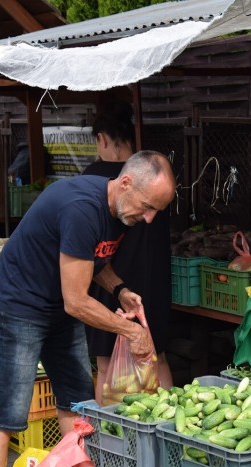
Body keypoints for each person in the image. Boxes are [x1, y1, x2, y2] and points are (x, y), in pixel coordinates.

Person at [0, 151, 176, 467]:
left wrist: (118, 289)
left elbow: (92, 261)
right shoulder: (82, 208)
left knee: (76, 402)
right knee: (6, 415)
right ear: (125, 185)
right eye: (148, 207)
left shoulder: (118, 212)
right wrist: (130, 330)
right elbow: (76, 300)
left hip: (58, 308)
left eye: (157, 211)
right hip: (19, 306)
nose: (149, 218)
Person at [84, 102, 173, 394]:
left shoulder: (96, 178)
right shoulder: (155, 180)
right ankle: (164, 429)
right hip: (150, 282)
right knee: (157, 359)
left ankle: (107, 436)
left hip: (108, 281)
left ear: (103, 139)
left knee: (107, 365)